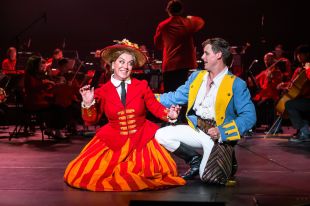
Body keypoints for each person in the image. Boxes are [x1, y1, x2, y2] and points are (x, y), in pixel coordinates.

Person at [64, 39, 185, 191]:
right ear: (113, 64)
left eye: (129, 63)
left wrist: (170, 115)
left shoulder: (142, 86)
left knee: (153, 171)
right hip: (113, 139)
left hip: (142, 139)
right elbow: (90, 120)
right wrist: (88, 104)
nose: (125, 66)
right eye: (121, 61)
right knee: (89, 173)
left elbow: (156, 108)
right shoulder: (101, 91)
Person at [155, 38, 256, 184]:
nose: (202, 57)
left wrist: (222, 131)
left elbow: (249, 116)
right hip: (197, 129)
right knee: (161, 135)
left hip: (216, 136)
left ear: (218, 55)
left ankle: (228, 159)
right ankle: (194, 159)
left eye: (206, 53)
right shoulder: (197, 77)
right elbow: (176, 97)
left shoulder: (236, 84)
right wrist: (148, 96)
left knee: (208, 178)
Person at [154, 0, 205, 92]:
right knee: (182, 92)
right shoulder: (188, 23)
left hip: (170, 63)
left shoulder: (163, 25)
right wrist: (189, 17)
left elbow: (158, 44)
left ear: (168, 10)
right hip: (185, 64)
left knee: (169, 92)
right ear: (181, 10)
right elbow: (200, 21)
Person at [277, 44, 310, 142]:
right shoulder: (301, 68)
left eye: (301, 54)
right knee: (290, 103)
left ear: (307, 54)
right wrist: (286, 86)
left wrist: (308, 69)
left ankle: (305, 133)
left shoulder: (307, 68)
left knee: (290, 105)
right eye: (298, 55)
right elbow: (295, 84)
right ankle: (303, 130)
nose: (298, 57)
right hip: (305, 98)